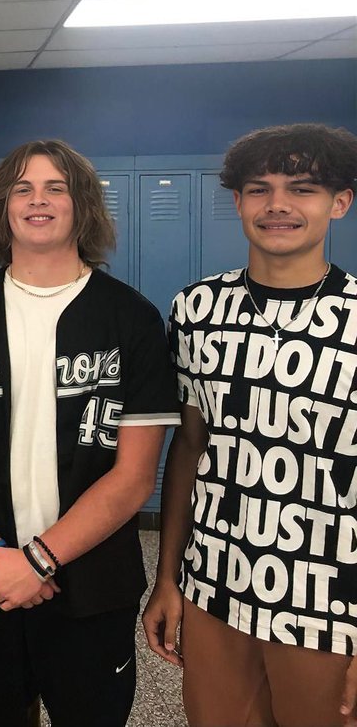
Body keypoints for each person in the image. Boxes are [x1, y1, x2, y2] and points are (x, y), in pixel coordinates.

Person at [0, 139, 181, 727]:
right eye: (23, 189)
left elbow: (135, 476)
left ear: (81, 205)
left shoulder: (128, 318)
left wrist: (38, 560)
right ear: (2, 207)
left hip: (90, 584)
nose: (39, 201)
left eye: (56, 188)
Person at [142, 123, 357, 727]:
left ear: (339, 202)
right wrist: (168, 578)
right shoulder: (196, 310)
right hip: (215, 583)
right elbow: (190, 448)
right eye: (259, 189)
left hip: (330, 598)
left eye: (303, 189)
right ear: (237, 202)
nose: (279, 205)